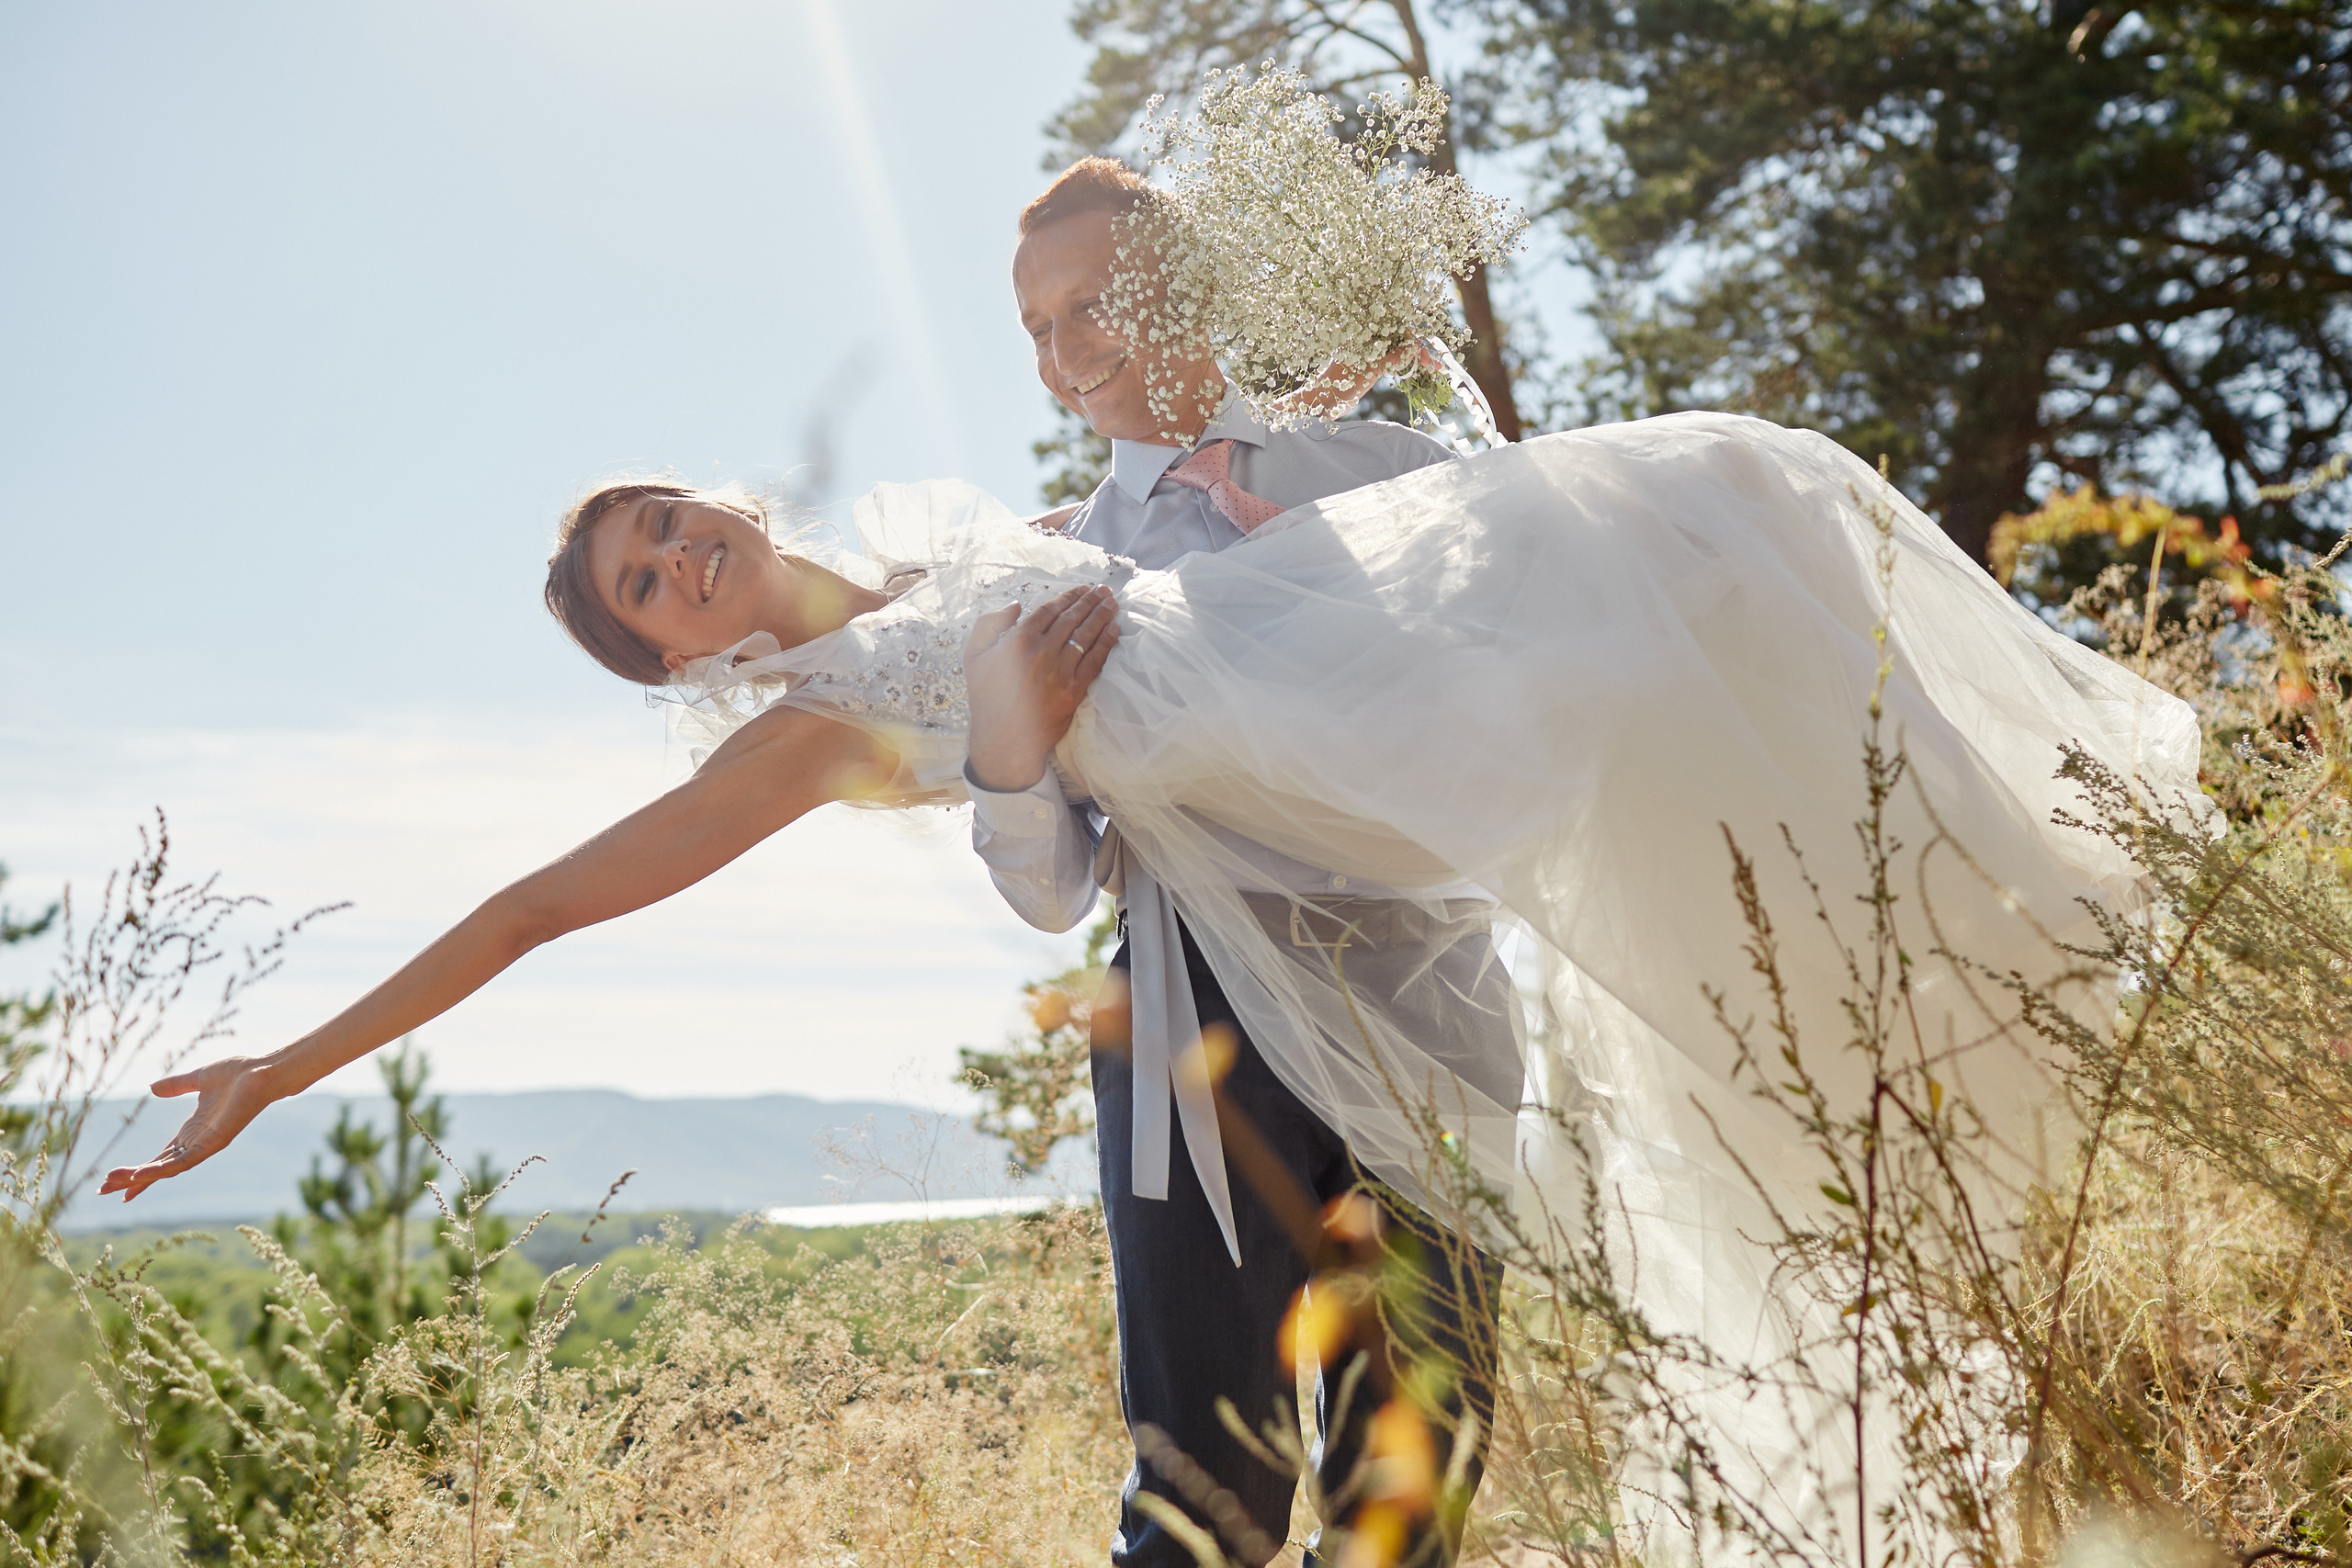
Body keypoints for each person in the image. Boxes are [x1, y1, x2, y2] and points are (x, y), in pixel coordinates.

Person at [98, 241, 2202, 1568]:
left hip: (1399, 887)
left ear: (721, 498)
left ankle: (2042, 880)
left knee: (1425, 1420)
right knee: (1202, 1471)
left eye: (663, 524)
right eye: (642, 594)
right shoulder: (812, 724)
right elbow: (541, 908)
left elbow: (1215, 517)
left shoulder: (965, 527)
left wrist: (1327, 374)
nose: (672, 563)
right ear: (676, 665)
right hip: (1207, 989)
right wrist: (280, 1065)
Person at [968, 156, 1509, 1568]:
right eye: (1036, 329)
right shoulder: (1056, 572)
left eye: (1088, 307)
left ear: (1189, 285)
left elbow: (1513, 707)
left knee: (1408, 1501)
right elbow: (1046, 891)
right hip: (1189, 1021)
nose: (1062, 353)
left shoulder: (1395, 473)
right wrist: (1011, 757)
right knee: (1198, 1513)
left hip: (1425, 1001)